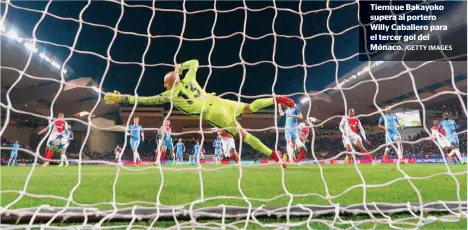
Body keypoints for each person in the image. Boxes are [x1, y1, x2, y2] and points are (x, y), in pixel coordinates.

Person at [104, 59, 294, 167]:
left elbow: (146, 100)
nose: (164, 84)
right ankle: (275, 99)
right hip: (218, 100)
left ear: (168, 83)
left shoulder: (171, 93)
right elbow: (195, 62)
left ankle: (274, 155)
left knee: (243, 134)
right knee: (249, 107)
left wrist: (124, 98)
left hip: (213, 112)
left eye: (165, 82)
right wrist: (181, 67)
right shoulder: (189, 77)